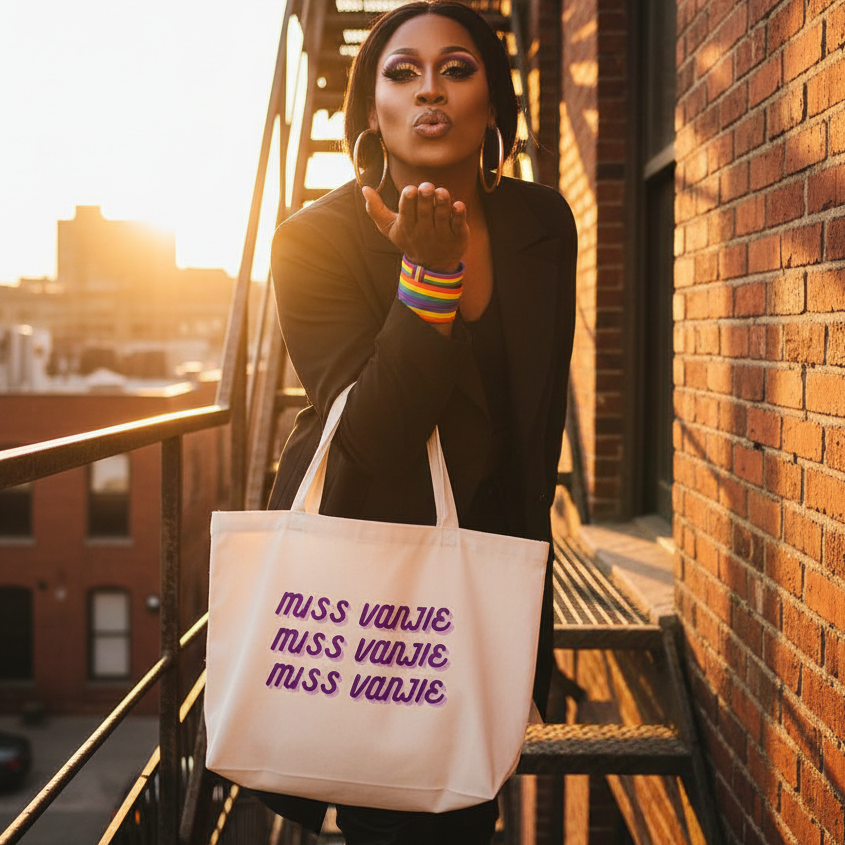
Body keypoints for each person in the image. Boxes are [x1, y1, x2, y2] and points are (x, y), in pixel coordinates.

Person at [259, 2, 577, 842]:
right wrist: (429, 280)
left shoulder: (542, 221)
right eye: (401, 73)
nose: (429, 89)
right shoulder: (311, 241)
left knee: (473, 810)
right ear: (371, 111)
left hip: (493, 577)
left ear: (492, 102)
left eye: (456, 69)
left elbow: (534, 422)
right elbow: (370, 438)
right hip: (371, 591)